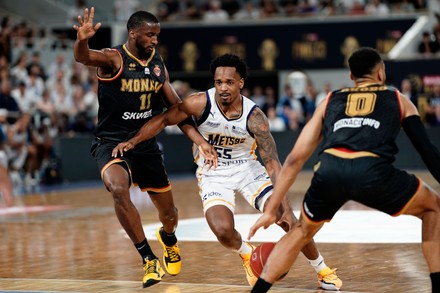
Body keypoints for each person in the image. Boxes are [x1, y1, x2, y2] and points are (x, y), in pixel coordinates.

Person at [112, 53, 342, 290]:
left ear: (240, 83)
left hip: (248, 170)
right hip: (213, 173)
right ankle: (246, 254)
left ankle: (322, 269)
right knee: (223, 232)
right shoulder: (199, 102)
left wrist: (280, 202)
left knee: (289, 221)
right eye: (218, 82)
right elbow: (164, 120)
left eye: (229, 82)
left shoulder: (255, 117)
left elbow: (273, 163)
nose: (223, 87)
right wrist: (134, 141)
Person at [247, 47, 440, 293]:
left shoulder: (330, 100)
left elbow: (295, 158)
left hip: (329, 170)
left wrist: (272, 208)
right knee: (433, 206)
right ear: (381, 73)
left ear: (351, 76)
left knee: (302, 232)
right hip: (372, 171)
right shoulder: (399, 99)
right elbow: (427, 151)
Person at [72, 7, 215, 288]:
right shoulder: (114, 58)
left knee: (169, 213)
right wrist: (82, 40)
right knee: (118, 187)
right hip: (111, 142)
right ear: (133, 33)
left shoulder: (158, 64)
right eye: (150, 34)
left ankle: (169, 238)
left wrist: (200, 140)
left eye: (157, 35)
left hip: (145, 143)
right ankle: (148, 258)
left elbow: (176, 109)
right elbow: (84, 56)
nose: (155, 40)